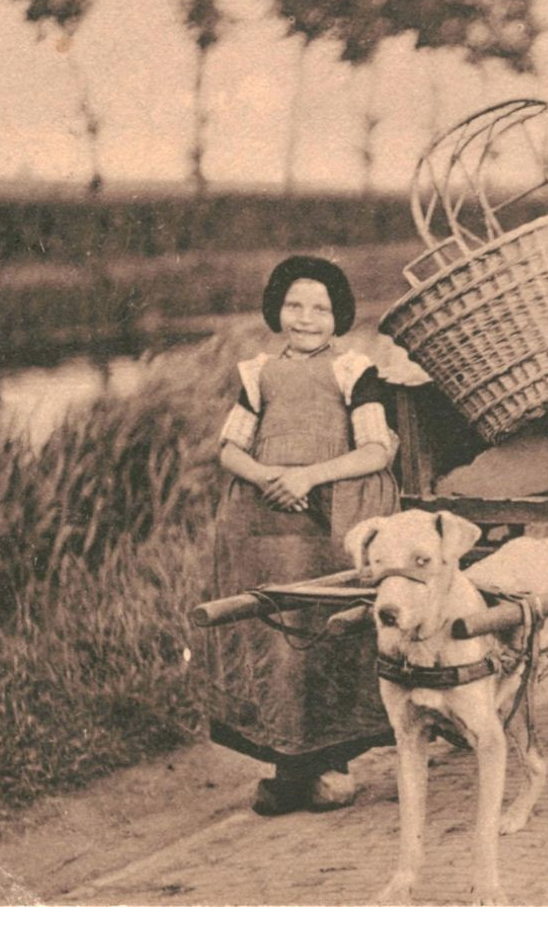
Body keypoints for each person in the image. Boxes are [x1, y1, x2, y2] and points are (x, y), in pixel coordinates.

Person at [203, 255, 400, 816]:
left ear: (338, 317)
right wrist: (269, 478)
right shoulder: (256, 373)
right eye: (294, 305)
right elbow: (229, 449)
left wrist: (308, 476)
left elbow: (377, 449)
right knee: (274, 635)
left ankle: (330, 765)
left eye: (320, 308)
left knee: (326, 632)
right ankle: (285, 768)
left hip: (328, 521)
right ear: (276, 310)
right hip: (265, 526)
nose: (306, 318)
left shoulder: (354, 370)